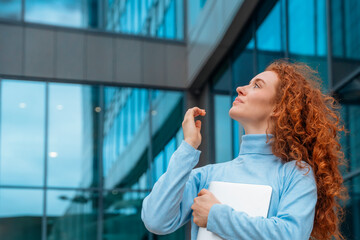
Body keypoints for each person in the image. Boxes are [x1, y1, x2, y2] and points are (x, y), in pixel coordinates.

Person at [141, 60, 348, 240]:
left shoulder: (295, 173)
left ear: (278, 107)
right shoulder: (206, 175)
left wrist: (215, 216)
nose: (240, 88)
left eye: (256, 86)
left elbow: (290, 235)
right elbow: (155, 219)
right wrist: (188, 147)